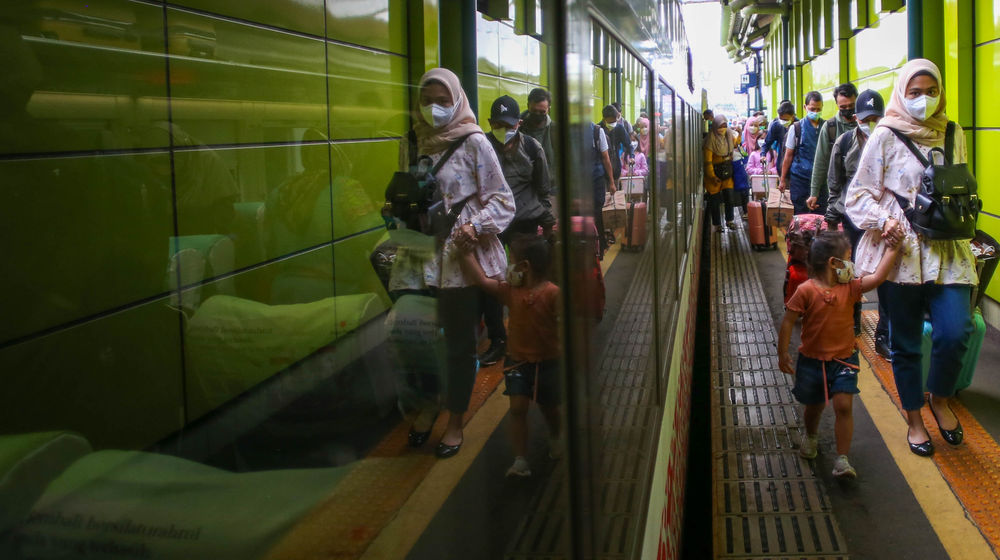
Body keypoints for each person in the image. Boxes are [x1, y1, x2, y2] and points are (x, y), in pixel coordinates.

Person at [845, 58, 975, 458]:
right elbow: (857, 195)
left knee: (956, 331)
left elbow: (959, 183)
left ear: (941, 94)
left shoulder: (953, 132)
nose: (923, 100)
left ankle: (940, 398)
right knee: (906, 344)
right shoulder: (885, 134)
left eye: (931, 92)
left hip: (947, 250)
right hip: (901, 252)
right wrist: (884, 220)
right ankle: (915, 419)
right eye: (915, 93)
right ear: (902, 93)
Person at [407, 68, 515, 459]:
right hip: (419, 256)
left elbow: (503, 200)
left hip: (458, 260)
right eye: (426, 101)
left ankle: (454, 420)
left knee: (458, 345)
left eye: (442, 101)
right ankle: (428, 403)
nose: (433, 109)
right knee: (417, 339)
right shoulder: (414, 141)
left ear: (457, 101)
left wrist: (474, 226)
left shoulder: (474, 142)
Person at [778, 232, 901, 478]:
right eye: (848, 258)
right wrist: (783, 354)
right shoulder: (805, 290)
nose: (851, 264)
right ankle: (811, 436)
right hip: (812, 360)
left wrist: (892, 250)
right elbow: (789, 321)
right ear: (834, 263)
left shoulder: (851, 288)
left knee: (844, 406)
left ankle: (842, 459)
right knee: (814, 406)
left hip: (844, 358)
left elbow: (878, 278)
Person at [460, 234, 561, 477]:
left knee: (549, 408)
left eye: (511, 260)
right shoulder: (511, 291)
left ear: (525, 266)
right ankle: (520, 459)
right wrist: (466, 254)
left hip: (547, 362)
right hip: (517, 361)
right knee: (517, 408)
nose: (508, 267)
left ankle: (557, 434)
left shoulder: (553, 294)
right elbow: (483, 281)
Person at [479, 95, 554, 366]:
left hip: (524, 223)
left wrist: (546, 221)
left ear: (518, 123)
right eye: (497, 124)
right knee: (493, 280)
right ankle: (498, 339)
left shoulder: (532, 148)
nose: (503, 130)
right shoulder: (481, 147)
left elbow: (543, 189)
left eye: (508, 125)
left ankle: (529, 331)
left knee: (525, 278)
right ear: (490, 122)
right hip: (491, 225)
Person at [825, 89, 889, 345]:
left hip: (883, 219)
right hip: (852, 217)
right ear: (857, 118)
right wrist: (832, 215)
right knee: (850, 269)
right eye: (866, 119)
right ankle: (852, 318)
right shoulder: (844, 143)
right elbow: (834, 181)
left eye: (876, 118)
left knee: (886, 273)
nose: (870, 124)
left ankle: (884, 331)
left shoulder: (892, 141)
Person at [806, 83, 859, 214]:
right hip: (840, 193)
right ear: (837, 105)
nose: (848, 109)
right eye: (843, 107)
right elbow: (821, 161)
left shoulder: (867, 123)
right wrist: (814, 193)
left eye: (851, 106)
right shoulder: (830, 127)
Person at [779, 91, 824, 214]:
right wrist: (782, 179)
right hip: (800, 180)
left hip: (821, 182)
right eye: (812, 109)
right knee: (801, 215)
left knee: (820, 217)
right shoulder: (796, 128)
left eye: (818, 109)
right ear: (805, 107)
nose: (815, 112)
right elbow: (788, 156)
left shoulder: (826, 127)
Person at [703, 115, 738, 233]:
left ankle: (730, 220)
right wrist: (712, 176)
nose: (722, 129)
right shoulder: (710, 140)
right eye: (720, 126)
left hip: (727, 173)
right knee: (714, 201)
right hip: (714, 175)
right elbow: (707, 161)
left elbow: (736, 144)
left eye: (724, 126)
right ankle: (717, 224)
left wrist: (740, 133)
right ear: (715, 127)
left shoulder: (728, 136)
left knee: (729, 197)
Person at [519, 87, 556, 189]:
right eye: (534, 111)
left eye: (542, 112)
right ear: (528, 106)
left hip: (551, 188)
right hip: (525, 187)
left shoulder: (555, 131)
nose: (537, 115)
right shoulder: (518, 128)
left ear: (548, 109)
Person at [590, 121, 616, 256]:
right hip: (589, 180)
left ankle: (599, 246)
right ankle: (598, 247)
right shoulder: (596, 130)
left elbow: (606, 158)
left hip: (595, 180)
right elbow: (605, 158)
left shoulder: (596, 131)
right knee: (595, 214)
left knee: (596, 213)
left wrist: (611, 182)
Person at [601, 104, 634, 183]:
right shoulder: (598, 129)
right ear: (604, 119)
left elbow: (628, 144)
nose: (613, 124)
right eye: (610, 122)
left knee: (615, 187)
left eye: (615, 121)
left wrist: (631, 156)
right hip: (602, 168)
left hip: (615, 166)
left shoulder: (619, 128)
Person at [765, 100, 795, 169]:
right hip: (781, 161)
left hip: (795, 164)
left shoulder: (799, 127)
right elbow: (768, 142)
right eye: (781, 119)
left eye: (785, 119)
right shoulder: (776, 125)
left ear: (792, 117)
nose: (783, 122)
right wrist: (763, 154)